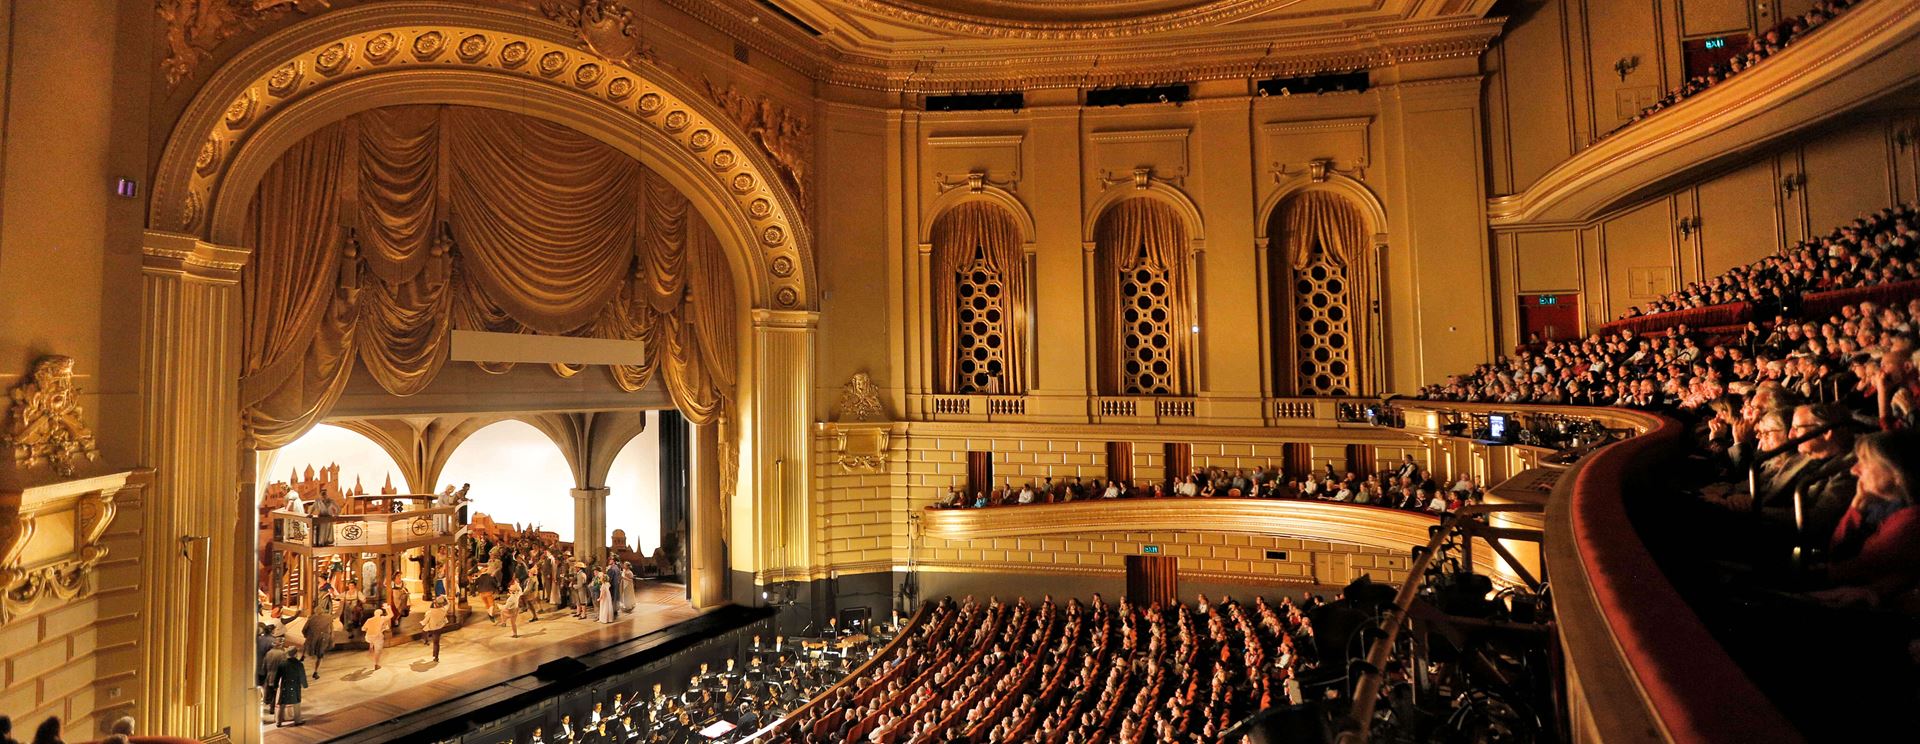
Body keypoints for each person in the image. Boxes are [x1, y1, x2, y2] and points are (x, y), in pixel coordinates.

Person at [1813, 431, 1920, 608]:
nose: (1854, 470)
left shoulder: (1909, 524)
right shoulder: (1883, 506)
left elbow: (1845, 568)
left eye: (1865, 461)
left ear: (1896, 472)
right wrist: (1857, 506)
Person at [304, 600, 336, 679]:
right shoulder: (328, 617)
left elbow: (304, 630)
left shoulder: (311, 619)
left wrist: (308, 637)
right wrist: (331, 639)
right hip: (323, 639)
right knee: (320, 656)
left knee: (312, 654)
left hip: (313, 639)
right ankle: (316, 671)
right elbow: (331, 630)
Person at [276, 652, 307, 727]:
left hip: (285, 686)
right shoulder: (299, 664)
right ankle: (297, 720)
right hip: (295, 685)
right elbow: (302, 676)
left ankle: (278, 722)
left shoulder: (282, 664)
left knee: (282, 704)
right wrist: (305, 685)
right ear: (296, 654)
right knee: (296, 703)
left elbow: (277, 676)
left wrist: (275, 685)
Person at [422, 595, 449, 662]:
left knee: (424, 630)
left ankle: (426, 640)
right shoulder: (444, 610)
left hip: (431, 627)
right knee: (436, 643)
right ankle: (436, 657)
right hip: (439, 628)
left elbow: (425, 621)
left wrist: (423, 622)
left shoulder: (430, 612)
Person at [363, 604, 390, 670]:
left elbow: (363, 628)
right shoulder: (382, 619)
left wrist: (369, 629)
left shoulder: (369, 620)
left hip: (369, 637)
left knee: (372, 639)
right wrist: (388, 608)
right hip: (377, 636)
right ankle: (376, 664)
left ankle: (371, 647)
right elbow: (387, 626)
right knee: (377, 651)